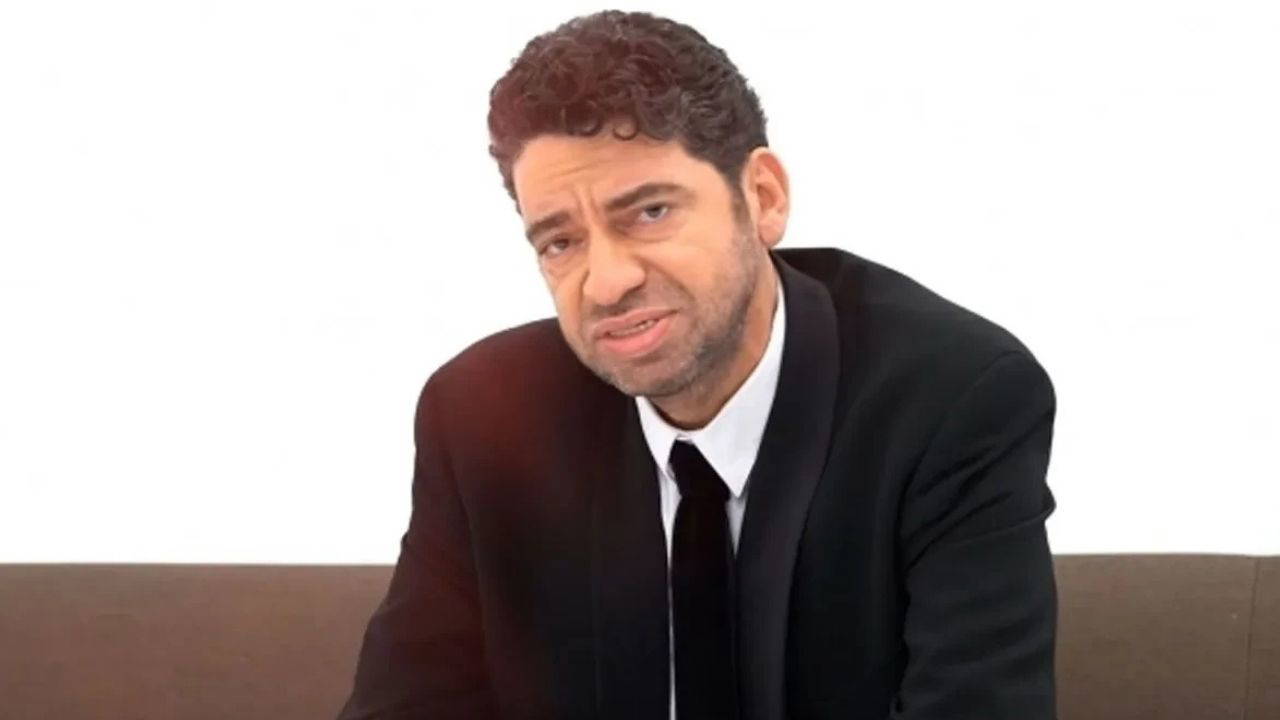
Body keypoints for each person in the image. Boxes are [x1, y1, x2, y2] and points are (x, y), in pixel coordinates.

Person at [337, 10, 1058, 720]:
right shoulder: (481, 418)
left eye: (649, 212)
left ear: (763, 198)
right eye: (560, 242)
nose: (606, 283)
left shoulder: (952, 401)